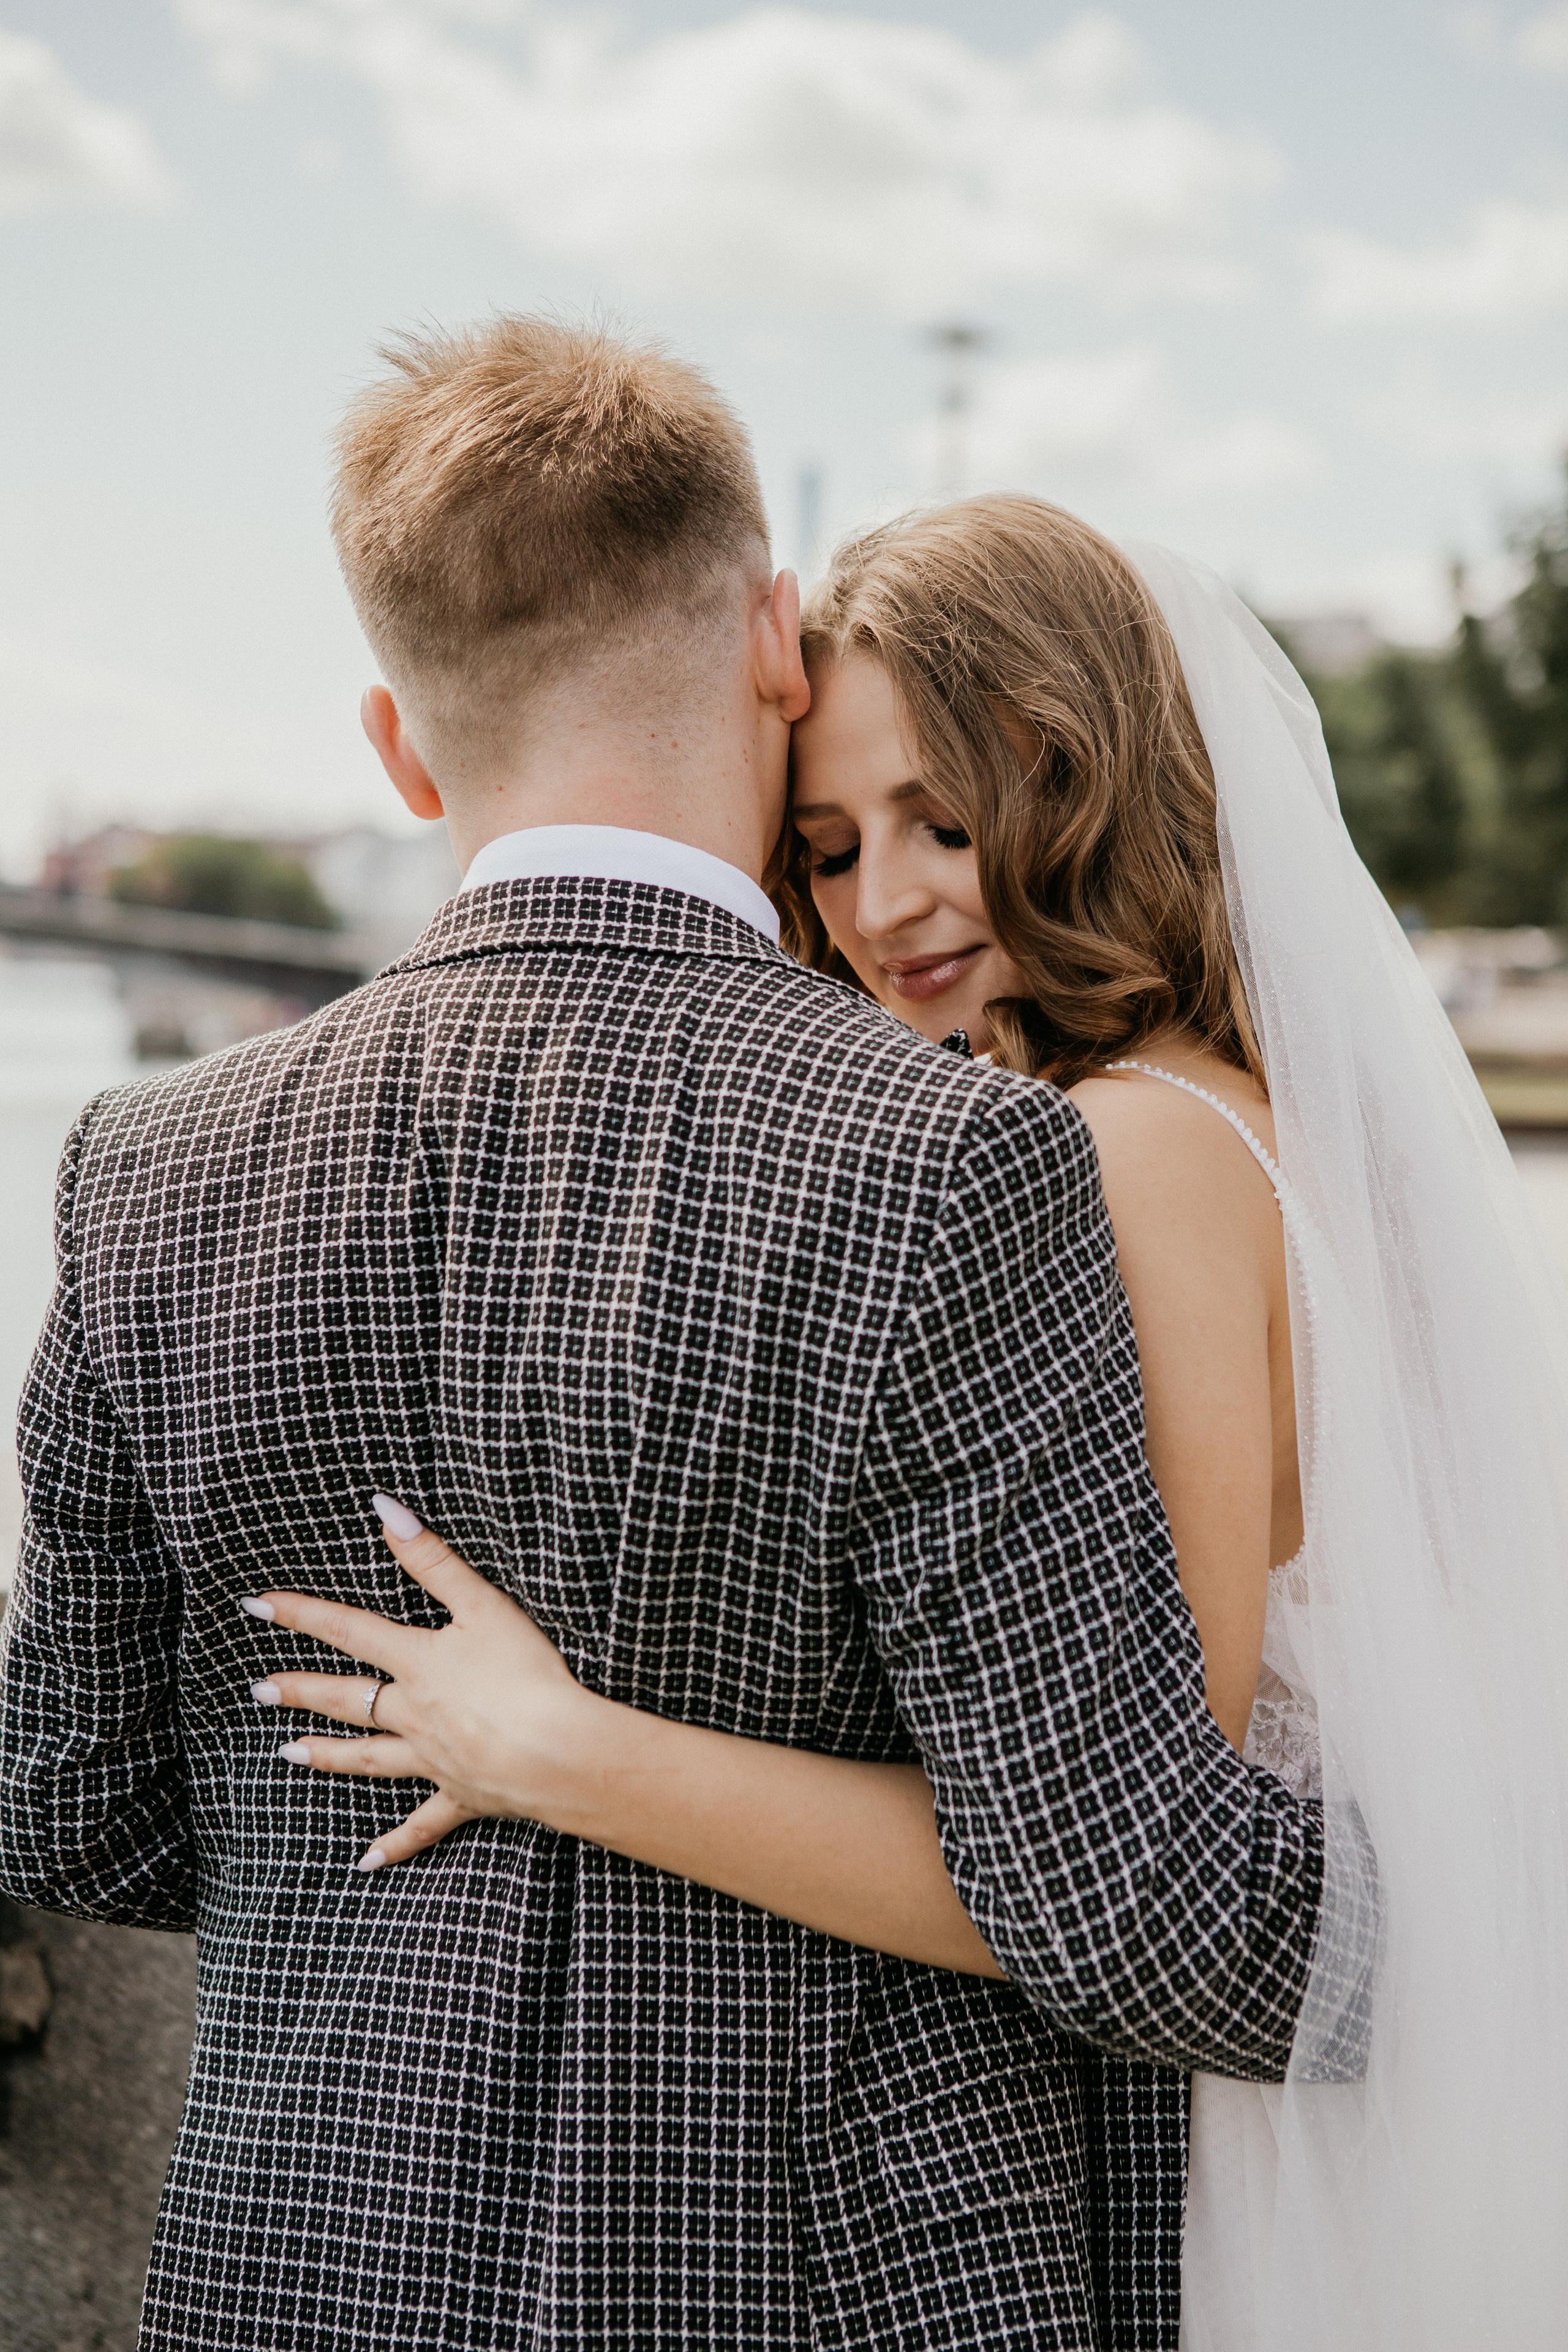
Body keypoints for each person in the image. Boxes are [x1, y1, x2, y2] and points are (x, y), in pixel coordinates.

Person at [0, 325, 1330, 2350]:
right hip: (836, 2283)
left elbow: (78, 1812)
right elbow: (1135, 1899)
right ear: (777, 642)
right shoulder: (959, 1162)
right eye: (843, 840)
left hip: (301, 2262)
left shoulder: (141, 1170)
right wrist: (1420, 1929)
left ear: (401, 749)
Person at [251, 494, 1568, 2346]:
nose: (881, 908)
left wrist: (555, 1747)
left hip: (1230, 2133)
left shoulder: (1136, 1150)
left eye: (945, 821)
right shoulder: (1253, 1111)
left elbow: (1132, 1861)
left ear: (1089, 779)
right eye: (831, 846)